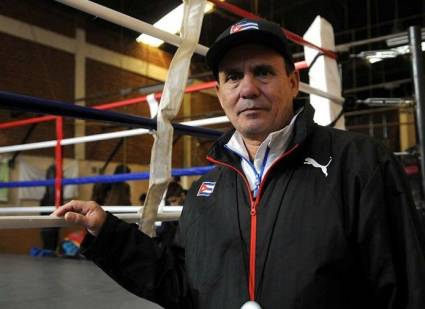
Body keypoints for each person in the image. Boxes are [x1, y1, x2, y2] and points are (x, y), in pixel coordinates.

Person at [52, 18, 425, 308]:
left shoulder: (360, 163)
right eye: (233, 77)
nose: (247, 88)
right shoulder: (205, 191)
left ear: (293, 82)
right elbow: (183, 286)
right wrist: (109, 233)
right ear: (220, 94)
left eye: (263, 71)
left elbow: (407, 289)